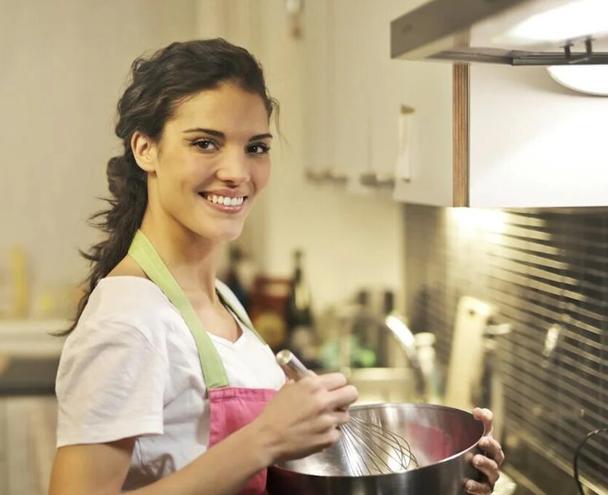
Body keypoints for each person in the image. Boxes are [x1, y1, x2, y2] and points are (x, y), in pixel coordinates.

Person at [48, 38, 504, 495]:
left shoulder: (220, 300)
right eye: (205, 143)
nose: (237, 171)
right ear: (146, 149)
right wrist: (264, 438)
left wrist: (443, 476)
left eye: (256, 147)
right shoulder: (129, 320)